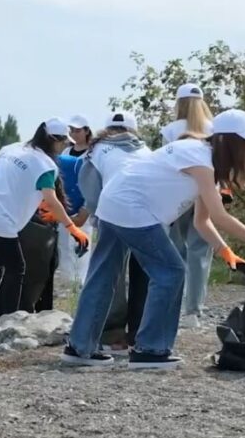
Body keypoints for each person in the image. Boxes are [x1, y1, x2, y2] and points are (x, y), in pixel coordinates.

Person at [62, 109, 245, 369]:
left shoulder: (200, 157)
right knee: (170, 271)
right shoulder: (200, 159)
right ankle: (151, 350)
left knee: (103, 275)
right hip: (132, 209)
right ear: (233, 143)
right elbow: (220, 216)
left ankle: (79, 347)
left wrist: (224, 250)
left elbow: (202, 220)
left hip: (113, 202)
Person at [0, 118, 90, 335]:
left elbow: (8, 179)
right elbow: (51, 200)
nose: (63, 147)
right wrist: (72, 228)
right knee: (16, 269)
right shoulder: (45, 165)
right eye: (63, 143)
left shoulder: (11, 148)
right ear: (55, 140)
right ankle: (8, 324)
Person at [77, 111, 152, 353]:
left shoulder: (96, 151)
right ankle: (140, 336)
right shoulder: (146, 152)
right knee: (145, 277)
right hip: (146, 220)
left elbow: (89, 191)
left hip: (111, 217)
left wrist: (93, 215)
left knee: (111, 278)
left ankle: (112, 336)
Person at [160, 83, 215, 329]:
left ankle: (174, 304)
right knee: (200, 252)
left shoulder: (170, 129)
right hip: (205, 192)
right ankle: (194, 310)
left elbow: (165, 163)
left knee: (176, 250)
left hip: (177, 194)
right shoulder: (212, 128)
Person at [56, 115, 94, 287]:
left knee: (82, 246)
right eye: (71, 130)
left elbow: (91, 183)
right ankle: (67, 282)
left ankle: (80, 283)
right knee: (64, 245)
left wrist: (85, 209)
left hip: (84, 207)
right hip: (66, 206)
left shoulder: (92, 153)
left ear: (86, 131)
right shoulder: (65, 153)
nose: (74, 134)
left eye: (78, 130)